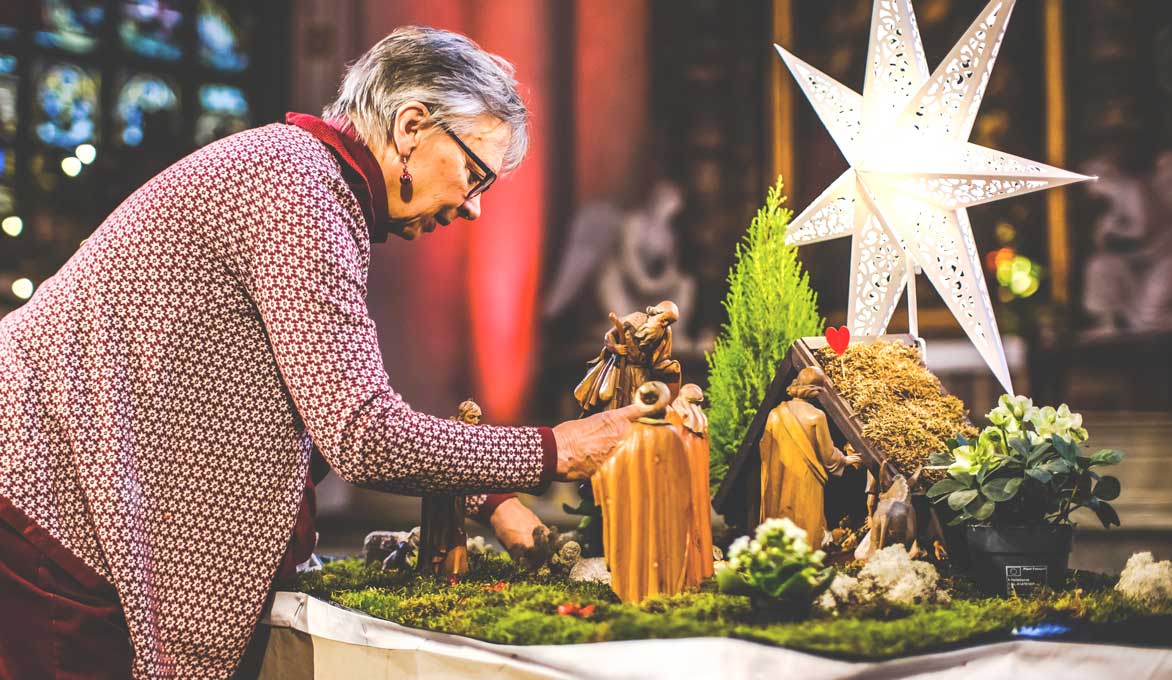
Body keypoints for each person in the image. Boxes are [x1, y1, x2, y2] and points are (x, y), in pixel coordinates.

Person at [0, 26, 640, 680]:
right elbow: (362, 435)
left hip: (54, 501)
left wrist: (488, 495)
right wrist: (556, 449)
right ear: (412, 126)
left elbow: (322, 397)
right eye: (475, 176)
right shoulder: (300, 188)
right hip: (49, 506)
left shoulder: (304, 177)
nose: (473, 209)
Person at [758, 367, 861, 549]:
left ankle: (781, 558)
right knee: (807, 518)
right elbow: (827, 454)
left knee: (783, 516)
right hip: (807, 479)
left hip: (779, 481)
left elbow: (765, 448)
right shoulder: (816, 416)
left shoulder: (775, 414)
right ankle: (806, 561)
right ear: (816, 390)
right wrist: (844, 460)